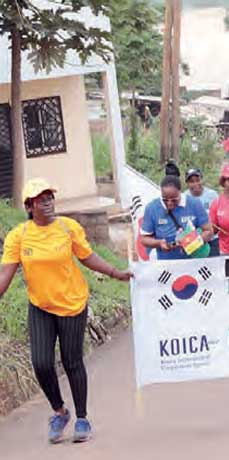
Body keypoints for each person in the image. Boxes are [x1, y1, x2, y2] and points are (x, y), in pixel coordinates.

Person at [0, 179, 132, 444]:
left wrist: (116, 273)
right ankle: (60, 411)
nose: (48, 203)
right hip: (41, 306)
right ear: (29, 206)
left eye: (50, 197)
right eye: (41, 199)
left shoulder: (67, 227)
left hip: (72, 304)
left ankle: (82, 418)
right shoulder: (19, 235)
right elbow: (6, 273)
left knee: (72, 362)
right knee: (41, 363)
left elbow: (87, 256)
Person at [141, 175, 214, 260]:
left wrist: (194, 242)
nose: (169, 203)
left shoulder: (195, 204)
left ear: (180, 192)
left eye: (174, 200)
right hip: (166, 264)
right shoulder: (152, 208)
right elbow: (144, 239)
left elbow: (209, 231)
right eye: (165, 200)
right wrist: (159, 243)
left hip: (193, 261)